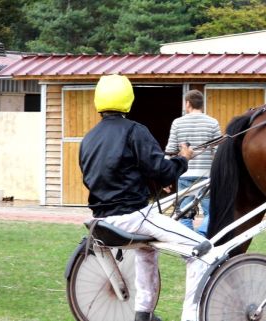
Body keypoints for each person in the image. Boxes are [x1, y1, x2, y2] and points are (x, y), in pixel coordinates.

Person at [79, 75, 208, 321]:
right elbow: (163, 171)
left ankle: (143, 314)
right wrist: (183, 158)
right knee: (203, 250)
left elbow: (96, 177)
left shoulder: (88, 139)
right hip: (133, 217)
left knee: (147, 252)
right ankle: (191, 317)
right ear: (128, 99)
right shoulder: (135, 131)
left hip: (102, 220)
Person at [165, 90, 221, 236]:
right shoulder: (213, 123)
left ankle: (190, 243)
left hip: (184, 175)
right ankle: (201, 236)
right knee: (212, 213)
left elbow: (170, 150)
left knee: (184, 213)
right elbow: (218, 152)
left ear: (188, 103)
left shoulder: (177, 123)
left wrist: (164, 175)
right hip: (206, 177)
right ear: (202, 104)